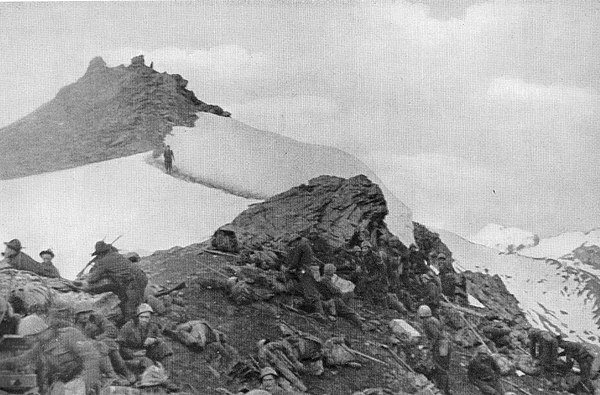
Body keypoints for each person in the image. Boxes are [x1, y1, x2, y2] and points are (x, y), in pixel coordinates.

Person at [0, 314, 102, 394]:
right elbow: (22, 360)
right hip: (64, 384)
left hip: (83, 381)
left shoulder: (69, 335)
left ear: (34, 334)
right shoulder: (41, 346)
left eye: (27, 337)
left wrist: (85, 384)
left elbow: (91, 358)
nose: (26, 340)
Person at [86, 240, 148, 326]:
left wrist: (94, 274)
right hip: (141, 277)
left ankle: (132, 328)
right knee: (135, 301)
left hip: (133, 281)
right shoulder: (116, 255)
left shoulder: (103, 261)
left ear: (100, 254)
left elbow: (92, 278)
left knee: (130, 308)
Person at [74, 303, 136, 383]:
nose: (85, 316)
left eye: (87, 313)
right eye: (82, 314)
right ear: (77, 315)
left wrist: (98, 339)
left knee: (107, 343)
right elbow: (79, 342)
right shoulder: (75, 326)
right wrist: (95, 342)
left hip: (106, 345)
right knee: (102, 345)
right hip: (89, 352)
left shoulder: (97, 318)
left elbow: (112, 330)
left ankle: (125, 371)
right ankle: (113, 375)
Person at [118, 303, 172, 374]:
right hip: (132, 355)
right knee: (147, 362)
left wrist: (154, 340)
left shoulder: (153, 326)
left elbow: (161, 338)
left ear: (150, 318)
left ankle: (166, 374)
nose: (144, 320)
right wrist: (133, 353)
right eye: (141, 317)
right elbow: (119, 345)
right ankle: (154, 378)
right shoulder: (128, 327)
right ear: (137, 317)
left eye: (146, 317)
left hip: (147, 351)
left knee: (164, 347)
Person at [287, 235, 325, 319]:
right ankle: (317, 311)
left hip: (305, 271)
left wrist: (288, 268)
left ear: (295, 241)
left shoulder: (300, 246)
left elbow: (295, 262)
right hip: (310, 270)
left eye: (292, 243)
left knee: (310, 292)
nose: (292, 245)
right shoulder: (307, 246)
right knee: (311, 291)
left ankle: (319, 313)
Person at [418, 304, 453, 395]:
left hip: (441, 345)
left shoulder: (427, 322)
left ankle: (442, 389)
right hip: (445, 343)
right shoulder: (433, 319)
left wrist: (431, 347)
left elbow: (435, 335)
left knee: (441, 367)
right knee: (444, 367)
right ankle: (446, 389)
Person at [318, 263, 364, 327]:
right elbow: (336, 290)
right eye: (333, 270)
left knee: (347, 309)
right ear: (331, 271)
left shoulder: (322, 279)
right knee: (348, 312)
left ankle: (357, 318)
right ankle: (362, 324)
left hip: (328, 301)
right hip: (333, 301)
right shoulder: (326, 280)